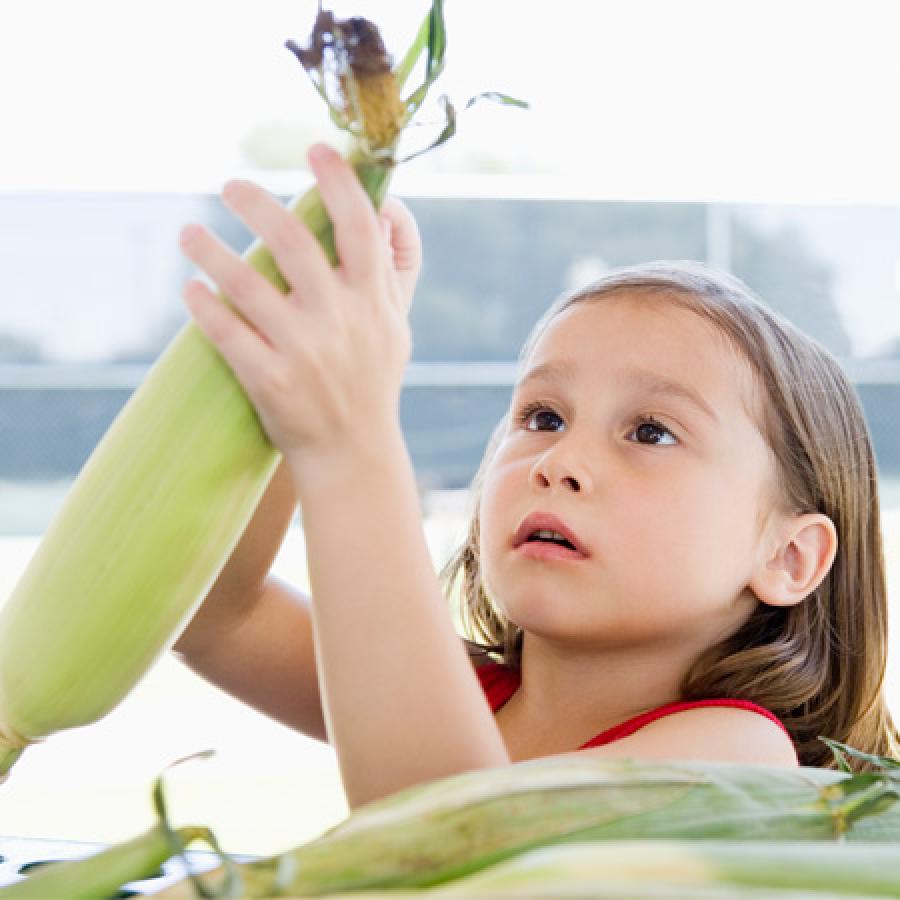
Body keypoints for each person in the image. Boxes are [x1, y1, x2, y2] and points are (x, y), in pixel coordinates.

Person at [174, 142, 899, 810]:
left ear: (788, 556)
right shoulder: (466, 696)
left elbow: (450, 855)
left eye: (651, 432)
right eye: (543, 417)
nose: (560, 463)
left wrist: (347, 439)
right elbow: (212, 612)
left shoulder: (739, 755)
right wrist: (299, 372)